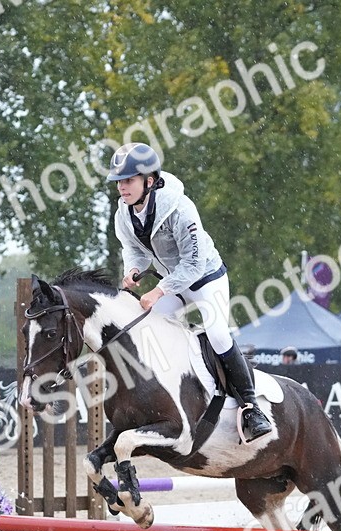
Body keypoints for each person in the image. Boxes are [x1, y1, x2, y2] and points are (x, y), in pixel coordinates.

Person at [107, 142, 272, 442]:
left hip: (206, 279)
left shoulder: (180, 208)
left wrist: (157, 291)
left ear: (150, 180)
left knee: (219, 333)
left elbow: (194, 264)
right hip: (172, 281)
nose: (122, 187)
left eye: (128, 180)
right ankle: (162, 397)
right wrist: (132, 269)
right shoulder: (124, 213)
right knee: (146, 326)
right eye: (119, 181)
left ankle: (251, 406)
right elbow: (133, 250)